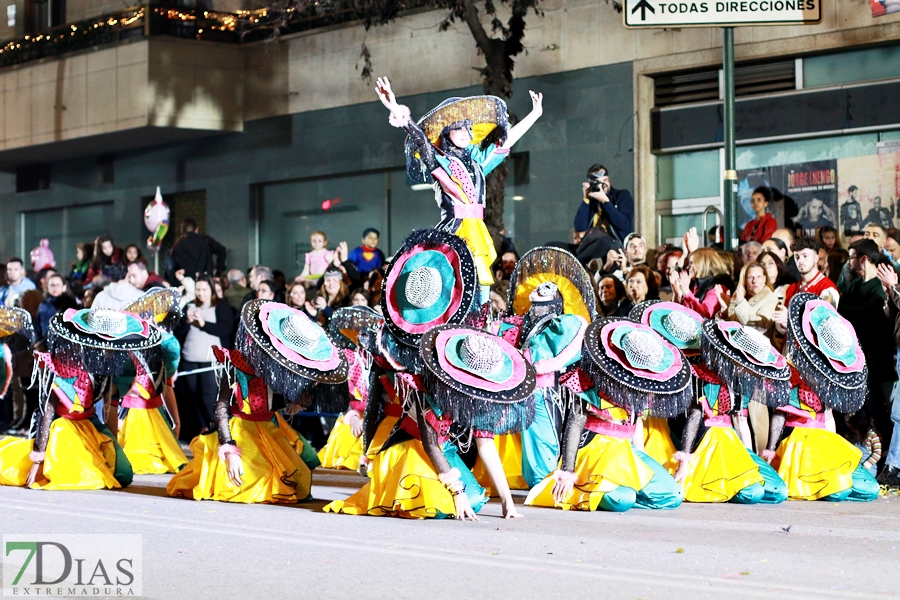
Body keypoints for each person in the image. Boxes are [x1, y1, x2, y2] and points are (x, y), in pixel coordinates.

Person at [168, 300, 347, 504]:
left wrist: (296, 401)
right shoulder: (237, 361)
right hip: (240, 431)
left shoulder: (279, 367)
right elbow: (221, 406)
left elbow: (273, 401)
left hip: (269, 428)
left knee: (298, 479)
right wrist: (229, 449)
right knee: (251, 484)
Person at [376, 76, 543, 286]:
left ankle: (480, 319)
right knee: (453, 283)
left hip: (478, 229)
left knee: (481, 282)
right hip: (454, 229)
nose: (466, 133)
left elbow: (508, 139)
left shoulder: (477, 163)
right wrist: (394, 107)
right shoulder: (439, 161)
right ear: (447, 132)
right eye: (459, 128)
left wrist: (535, 114)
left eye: (468, 129)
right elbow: (420, 139)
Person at [526, 317, 686, 512]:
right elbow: (575, 423)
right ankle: (586, 492)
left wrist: (642, 462)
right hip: (596, 449)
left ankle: (617, 492)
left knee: (673, 495)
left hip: (626, 450)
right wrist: (568, 471)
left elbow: (635, 422)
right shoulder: (593, 376)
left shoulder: (644, 381)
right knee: (624, 500)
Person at [839, 239, 896, 445]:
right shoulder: (854, 284)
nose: (848, 262)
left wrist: (850, 309)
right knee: (859, 411)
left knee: (878, 411)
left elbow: (869, 315)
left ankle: (885, 455)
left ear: (863, 259)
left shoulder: (877, 287)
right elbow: (842, 309)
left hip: (876, 357)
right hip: (856, 355)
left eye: (852, 257)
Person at [179, 276, 234, 438]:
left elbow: (225, 329)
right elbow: (179, 333)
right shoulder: (190, 306)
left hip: (211, 361)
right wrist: (186, 321)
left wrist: (204, 324)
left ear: (211, 290)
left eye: (204, 290)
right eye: (198, 290)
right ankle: (202, 428)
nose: (201, 293)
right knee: (192, 396)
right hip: (190, 358)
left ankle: (218, 430)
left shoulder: (221, 306)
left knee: (209, 396)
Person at [575, 164, 634, 243]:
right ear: (591, 184)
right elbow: (579, 227)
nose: (604, 185)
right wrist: (586, 199)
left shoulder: (622, 195)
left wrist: (606, 202)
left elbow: (624, 224)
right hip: (595, 247)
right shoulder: (591, 202)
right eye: (598, 182)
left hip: (617, 247)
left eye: (605, 180)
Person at [671, 247, 735, 319]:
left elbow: (705, 315)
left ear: (702, 264)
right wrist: (677, 293)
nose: (688, 267)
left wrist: (686, 292)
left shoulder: (716, 287)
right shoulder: (695, 286)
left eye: (691, 263)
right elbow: (677, 314)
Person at [167, 218, 227, 283]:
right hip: (207, 281)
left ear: (182, 230)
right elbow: (222, 251)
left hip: (186, 282)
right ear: (197, 229)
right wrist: (218, 273)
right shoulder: (205, 241)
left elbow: (173, 268)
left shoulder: (177, 246)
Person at [728, 262, 778, 336]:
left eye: (759, 277)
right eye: (750, 277)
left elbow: (761, 327)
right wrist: (723, 312)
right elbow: (729, 324)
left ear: (764, 278)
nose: (754, 281)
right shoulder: (740, 294)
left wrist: (741, 302)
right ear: (745, 280)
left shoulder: (770, 298)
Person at [35, 274, 78, 343]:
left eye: (58, 285)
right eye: (52, 285)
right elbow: (37, 327)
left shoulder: (70, 304)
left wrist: (44, 343)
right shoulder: (43, 304)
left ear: (64, 287)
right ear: (47, 287)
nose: (55, 288)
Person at [842, 410, 881, 477]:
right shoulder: (851, 436)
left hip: (868, 469)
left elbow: (877, 453)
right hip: (855, 467)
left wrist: (865, 466)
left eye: (853, 427)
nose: (852, 429)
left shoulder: (872, 435)